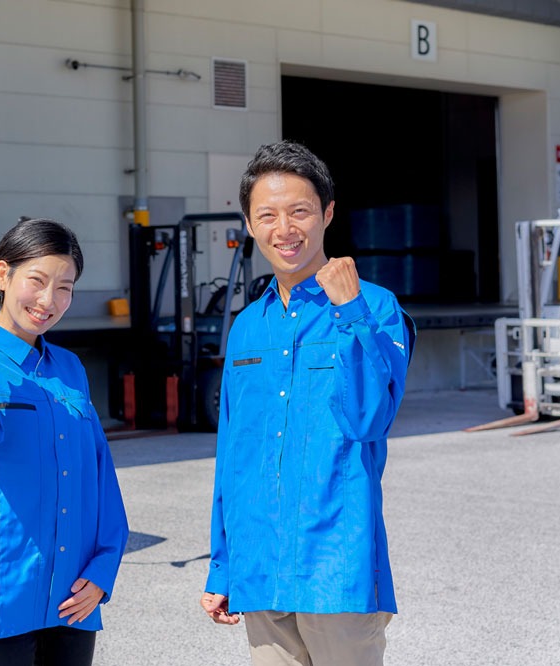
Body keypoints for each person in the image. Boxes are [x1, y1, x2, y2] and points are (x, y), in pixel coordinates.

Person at [200, 141, 414, 666]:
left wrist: (349, 309)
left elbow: (371, 418)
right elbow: (233, 454)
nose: (285, 229)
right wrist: (223, 565)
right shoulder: (248, 326)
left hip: (337, 567)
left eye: (299, 211)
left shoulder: (376, 307)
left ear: (328, 213)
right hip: (260, 566)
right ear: (249, 225)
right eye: (267, 215)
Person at [0, 217, 129, 666]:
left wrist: (103, 568)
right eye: (37, 281)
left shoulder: (70, 367)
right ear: (3, 275)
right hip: (3, 595)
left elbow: (100, 475)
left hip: (73, 595)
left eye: (64, 288)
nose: (48, 301)